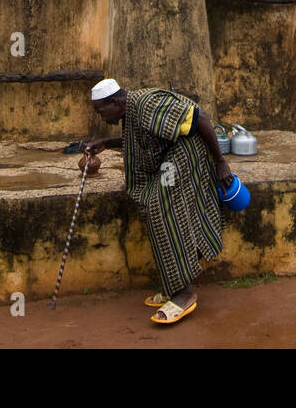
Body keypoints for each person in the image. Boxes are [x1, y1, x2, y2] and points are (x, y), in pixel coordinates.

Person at [82, 78, 231, 324]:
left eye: (101, 111)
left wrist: (220, 162)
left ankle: (185, 293)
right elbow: (142, 139)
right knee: (153, 207)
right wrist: (105, 143)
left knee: (162, 209)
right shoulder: (131, 113)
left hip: (185, 155)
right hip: (171, 158)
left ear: (114, 102)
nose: (102, 118)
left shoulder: (148, 103)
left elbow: (200, 117)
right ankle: (175, 284)